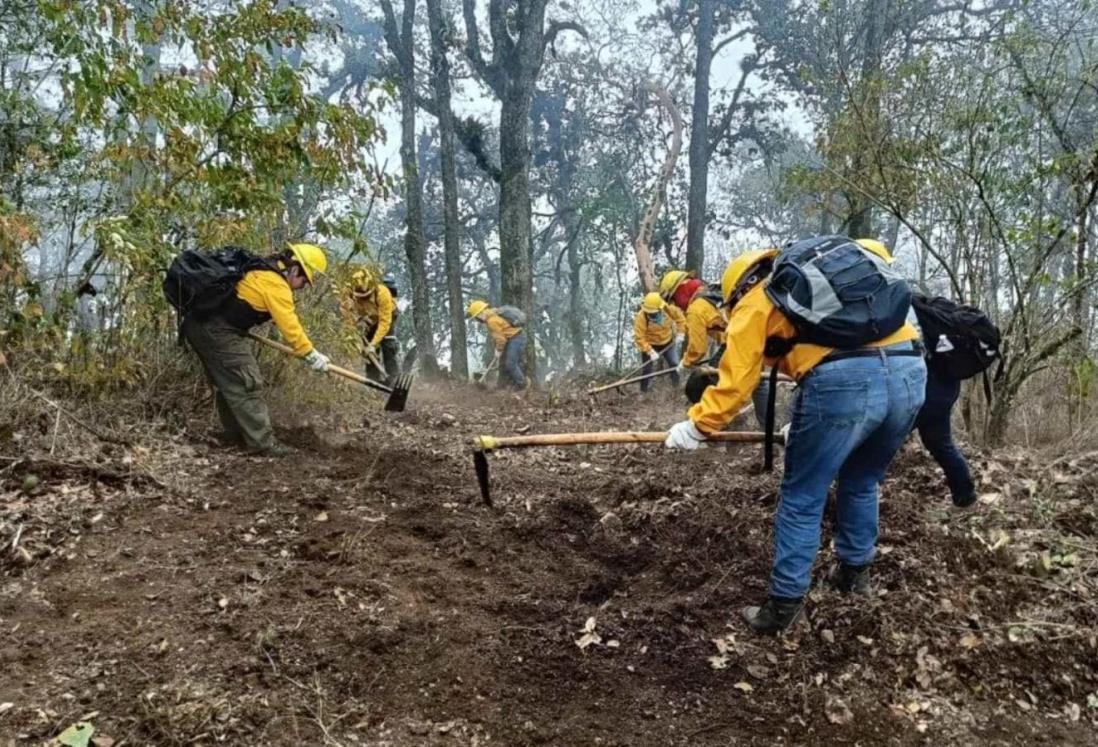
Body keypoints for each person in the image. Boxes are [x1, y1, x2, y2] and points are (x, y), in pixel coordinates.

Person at [664, 238, 926, 634]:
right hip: (910, 372)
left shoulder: (755, 301)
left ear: (736, 289)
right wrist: (808, 423)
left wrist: (697, 426)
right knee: (861, 481)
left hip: (843, 386)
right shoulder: (822, 280)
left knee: (803, 497)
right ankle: (855, 578)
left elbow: (736, 384)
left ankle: (784, 607)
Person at [856, 240, 977, 509]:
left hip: (927, 384)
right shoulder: (900, 295)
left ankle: (864, 496)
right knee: (938, 441)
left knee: (882, 439)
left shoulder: (891, 300)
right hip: (942, 383)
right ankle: (966, 498)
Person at [182, 243, 331, 456]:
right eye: (305, 281)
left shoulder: (264, 268)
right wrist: (310, 354)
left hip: (203, 325)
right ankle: (262, 443)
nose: (303, 286)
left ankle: (238, 434)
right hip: (215, 330)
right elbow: (290, 326)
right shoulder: (276, 285)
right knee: (246, 381)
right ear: (296, 269)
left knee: (230, 380)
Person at [658, 270, 725, 370]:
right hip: (747, 332)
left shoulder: (695, 310)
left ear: (680, 292)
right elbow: (723, 329)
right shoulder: (709, 293)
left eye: (674, 300)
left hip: (742, 339)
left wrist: (685, 362)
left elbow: (698, 349)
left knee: (709, 379)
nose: (676, 305)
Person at [346, 268, 400, 383]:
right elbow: (348, 316)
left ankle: (394, 381)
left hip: (387, 315)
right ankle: (373, 379)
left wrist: (373, 344)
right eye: (360, 297)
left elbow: (385, 323)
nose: (363, 299)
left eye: (365, 296)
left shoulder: (382, 293)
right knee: (368, 350)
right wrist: (356, 334)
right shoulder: (350, 294)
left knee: (388, 345)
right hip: (368, 318)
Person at [468, 300, 527, 389]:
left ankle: (522, 384)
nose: (478, 320)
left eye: (477, 317)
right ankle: (519, 381)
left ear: (480, 314)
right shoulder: (493, 313)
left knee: (510, 363)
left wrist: (498, 350)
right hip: (517, 336)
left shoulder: (491, 321)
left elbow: (500, 339)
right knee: (517, 362)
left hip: (516, 338)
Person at [633, 292, 685, 392]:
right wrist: (650, 351)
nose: (651, 314)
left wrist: (681, 333)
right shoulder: (641, 317)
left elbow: (680, 319)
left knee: (674, 364)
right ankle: (644, 392)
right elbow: (639, 337)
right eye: (649, 313)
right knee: (647, 369)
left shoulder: (668, 309)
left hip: (668, 342)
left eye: (653, 313)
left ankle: (677, 388)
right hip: (650, 344)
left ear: (660, 308)